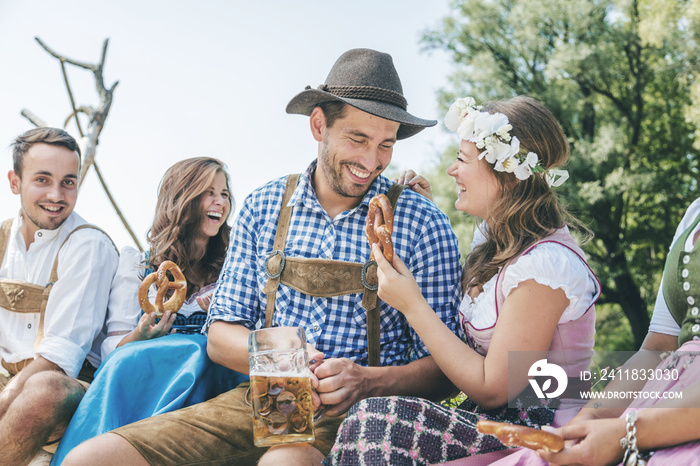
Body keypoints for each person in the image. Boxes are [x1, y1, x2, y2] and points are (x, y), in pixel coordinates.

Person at [62, 48, 463, 466]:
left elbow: (443, 369)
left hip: (363, 414)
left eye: (385, 145)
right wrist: (287, 362)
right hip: (270, 397)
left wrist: (365, 382)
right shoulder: (264, 205)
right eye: (357, 139)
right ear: (319, 125)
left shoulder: (422, 223)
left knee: (280, 463)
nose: (371, 161)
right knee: (90, 459)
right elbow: (220, 336)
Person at [325, 95, 602, 465]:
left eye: (462, 159)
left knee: (374, 421)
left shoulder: (545, 267)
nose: (453, 170)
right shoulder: (495, 240)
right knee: (375, 419)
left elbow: (494, 389)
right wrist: (420, 210)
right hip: (494, 421)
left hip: (543, 428)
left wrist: (411, 306)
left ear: (504, 173)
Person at [52, 157, 248, 464]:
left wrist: (224, 317)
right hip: (150, 383)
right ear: (183, 197)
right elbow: (111, 353)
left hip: (212, 384)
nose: (220, 202)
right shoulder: (139, 266)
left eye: (224, 194)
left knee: (200, 347)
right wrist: (140, 334)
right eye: (209, 192)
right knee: (124, 361)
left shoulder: (234, 269)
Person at [491, 196, 700, 466]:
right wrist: (589, 420)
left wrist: (625, 433)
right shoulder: (694, 210)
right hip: (650, 403)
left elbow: (494, 387)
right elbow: (657, 348)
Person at [0, 127, 119, 465]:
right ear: (14, 182)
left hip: (68, 389)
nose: (57, 194)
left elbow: (59, 358)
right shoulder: (2, 239)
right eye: (42, 179)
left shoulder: (86, 245)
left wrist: (5, 397)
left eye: (68, 182)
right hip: (7, 379)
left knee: (44, 390)